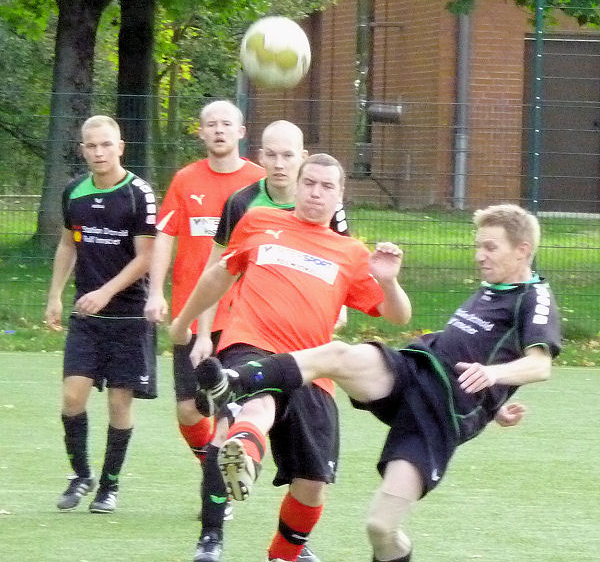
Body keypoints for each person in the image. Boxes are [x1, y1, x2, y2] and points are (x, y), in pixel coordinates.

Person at [192, 203, 562, 561]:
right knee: (337, 354)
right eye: (478, 246)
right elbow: (481, 348)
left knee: (381, 528)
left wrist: (494, 379)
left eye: (490, 247)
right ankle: (233, 380)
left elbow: (540, 364)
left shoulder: (533, 296)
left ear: (522, 250)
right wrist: (493, 399)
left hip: (437, 416)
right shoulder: (495, 284)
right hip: (415, 371)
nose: (479, 256)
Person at [170, 153, 412, 562]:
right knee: (257, 404)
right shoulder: (259, 221)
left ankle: (282, 554)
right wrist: (184, 324)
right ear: (297, 186)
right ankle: (220, 513)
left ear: (340, 195)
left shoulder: (351, 252)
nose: (316, 193)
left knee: (312, 483)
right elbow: (219, 275)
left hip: (313, 365)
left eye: (327, 186)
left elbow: (398, 315)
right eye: (310, 183)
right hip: (250, 345)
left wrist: (388, 282)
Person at [191, 122, 349, 562]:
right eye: (272, 155)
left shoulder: (328, 203)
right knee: (230, 426)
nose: (280, 164)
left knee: (310, 470)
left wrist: (339, 305)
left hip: (305, 348)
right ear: (261, 157)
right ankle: (211, 536)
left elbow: (339, 260)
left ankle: (292, 544)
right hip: (248, 335)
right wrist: (202, 332)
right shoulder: (244, 204)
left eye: (288, 155)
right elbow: (215, 268)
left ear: (302, 158)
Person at [143, 101, 263, 545]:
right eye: (211, 124)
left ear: (241, 132)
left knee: (232, 408)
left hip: (243, 316)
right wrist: (156, 293)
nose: (218, 130)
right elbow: (165, 236)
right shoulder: (185, 180)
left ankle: (219, 489)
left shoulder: (258, 183)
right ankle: (217, 472)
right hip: (192, 313)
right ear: (201, 132)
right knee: (188, 411)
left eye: (226, 124)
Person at [45, 115, 157, 514]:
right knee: (72, 396)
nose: (99, 152)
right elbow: (68, 244)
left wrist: (106, 292)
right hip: (87, 317)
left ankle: (109, 486)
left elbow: (146, 258)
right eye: (91, 146)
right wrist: (55, 295)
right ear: (83, 150)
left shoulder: (139, 194)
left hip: (129, 317)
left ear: (120, 147)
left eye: (106, 144)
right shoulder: (74, 192)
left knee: (119, 403)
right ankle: (81, 475)